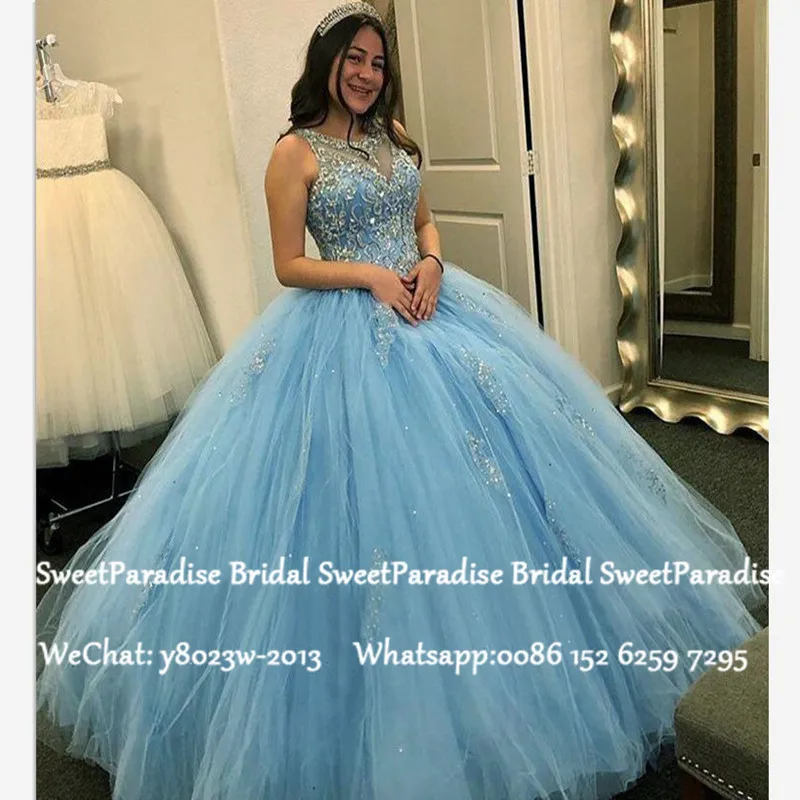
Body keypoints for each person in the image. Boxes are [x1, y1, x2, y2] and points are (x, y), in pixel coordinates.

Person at [36, 4, 765, 799]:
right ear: (326, 63)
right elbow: (287, 264)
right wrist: (371, 276)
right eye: (354, 58)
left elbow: (426, 223)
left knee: (511, 478)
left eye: (377, 62)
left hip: (433, 310)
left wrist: (432, 265)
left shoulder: (395, 137)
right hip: (340, 330)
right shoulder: (293, 151)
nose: (366, 73)